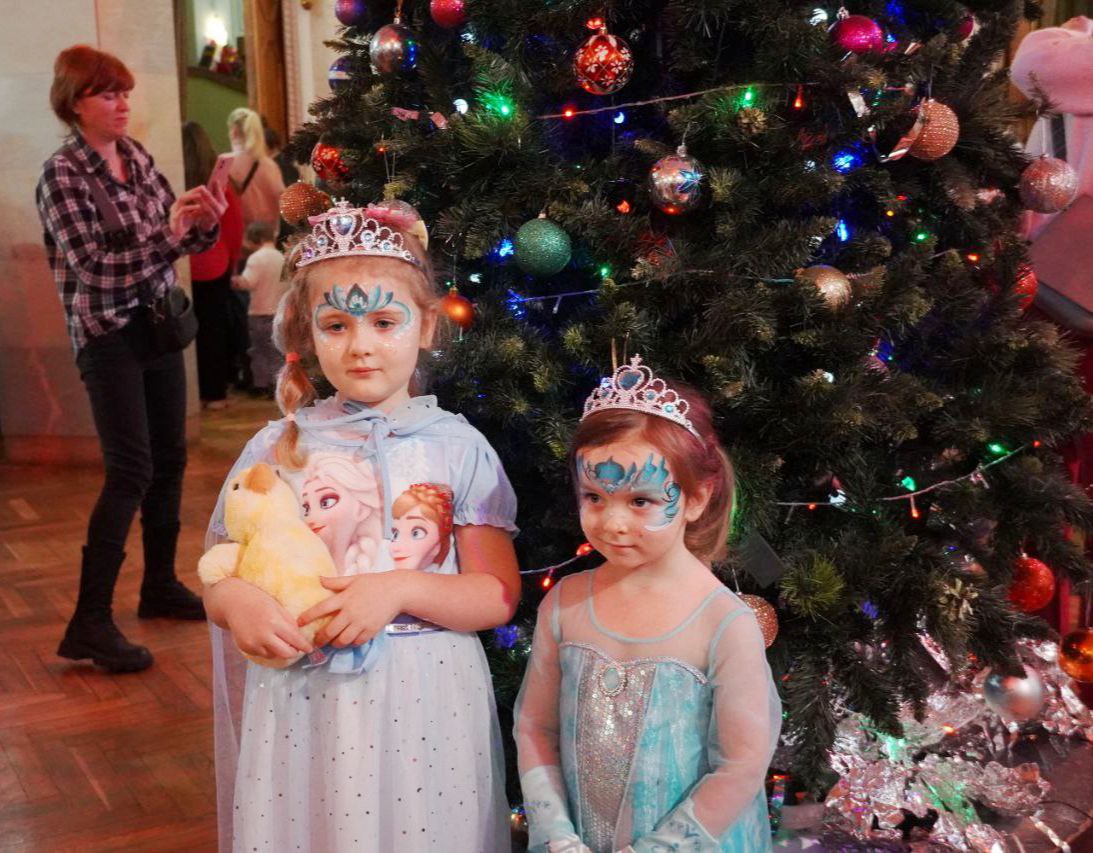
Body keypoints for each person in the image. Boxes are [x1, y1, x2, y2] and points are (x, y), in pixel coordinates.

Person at [202, 201, 520, 851]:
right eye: (337, 325)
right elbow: (223, 568)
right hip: (303, 701)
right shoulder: (278, 447)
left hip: (422, 703)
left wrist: (399, 589)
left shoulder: (459, 448)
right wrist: (235, 602)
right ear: (308, 332)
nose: (361, 345)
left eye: (383, 321)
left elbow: (496, 594)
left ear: (427, 325)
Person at [514, 357, 781, 852]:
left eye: (641, 501)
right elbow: (535, 726)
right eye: (594, 497)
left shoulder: (724, 623)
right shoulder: (565, 604)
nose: (613, 523)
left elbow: (741, 766)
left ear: (697, 497)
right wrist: (556, 836)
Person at [36, 45, 225, 673]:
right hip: (107, 335)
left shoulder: (137, 157)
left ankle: (159, 585)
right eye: (107, 94)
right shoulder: (63, 175)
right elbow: (95, 270)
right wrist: (170, 236)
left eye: (124, 92)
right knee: (130, 471)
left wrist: (204, 221)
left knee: (170, 459)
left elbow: (176, 239)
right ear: (75, 103)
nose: (122, 104)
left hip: (156, 326)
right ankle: (90, 621)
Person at [182, 121, 244, 409]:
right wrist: (234, 262)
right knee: (213, 329)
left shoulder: (173, 180)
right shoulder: (218, 184)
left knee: (184, 329)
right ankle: (214, 393)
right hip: (214, 263)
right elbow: (233, 226)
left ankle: (189, 392)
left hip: (181, 264)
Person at [231, 220, 286, 396]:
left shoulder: (256, 258)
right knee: (277, 351)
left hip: (259, 312)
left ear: (255, 238)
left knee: (259, 351)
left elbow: (248, 282)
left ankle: (261, 384)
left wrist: (236, 281)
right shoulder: (282, 257)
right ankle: (278, 385)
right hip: (279, 313)